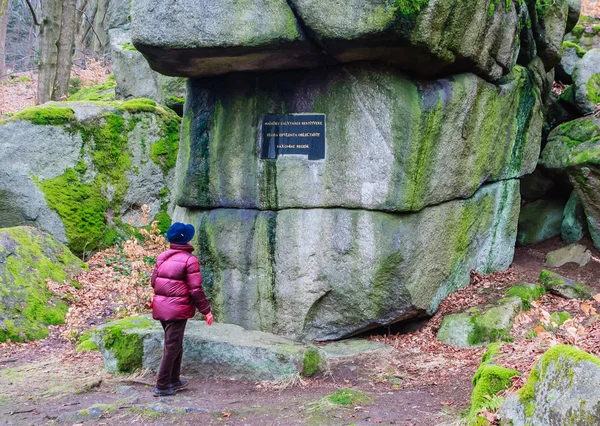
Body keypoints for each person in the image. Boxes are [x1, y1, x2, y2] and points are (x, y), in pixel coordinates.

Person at [150, 222, 213, 397]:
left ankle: (173, 379)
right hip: (177, 310)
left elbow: (153, 282)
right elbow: (195, 289)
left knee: (175, 343)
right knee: (172, 345)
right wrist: (206, 310)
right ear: (186, 240)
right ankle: (161, 385)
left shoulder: (162, 256)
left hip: (162, 308)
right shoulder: (189, 260)